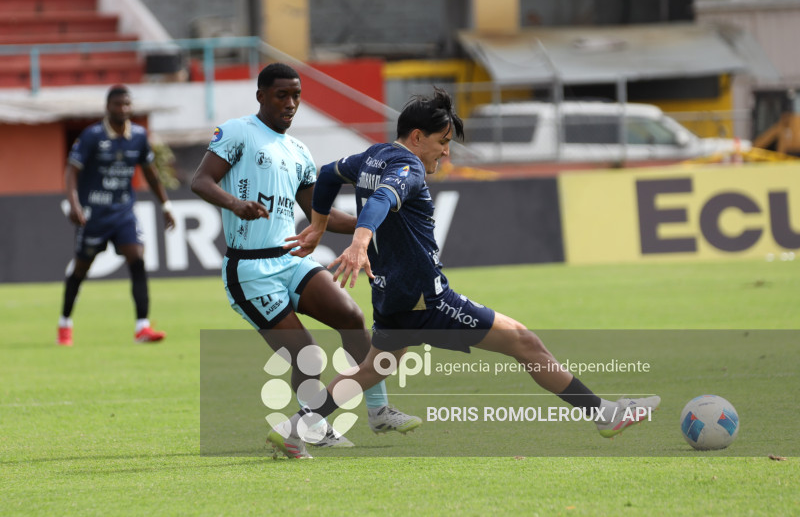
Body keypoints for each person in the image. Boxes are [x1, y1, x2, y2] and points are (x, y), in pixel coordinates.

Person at [268, 87, 661, 459]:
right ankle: (604, 414)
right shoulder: (407, 166)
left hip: (392, 295)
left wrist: (318, 224)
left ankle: (294, 428)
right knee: (525, 342)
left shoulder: (373, 156)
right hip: (425, 298)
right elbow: (384, 197)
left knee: (374, 367)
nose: (446, 152)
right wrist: (359, 240)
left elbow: (328, 173)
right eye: (442, 142)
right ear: (417, 137)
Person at [190, 62, 420, 448]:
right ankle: (309, 429)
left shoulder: (298, 151)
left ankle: (379, 410)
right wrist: (235, 204)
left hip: (291, 258)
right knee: (307, 354)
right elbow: (200, 180)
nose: (291, 103)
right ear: (261, 96)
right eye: (282, 95)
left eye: (296, 96)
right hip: (250, 269)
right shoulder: (238, 132)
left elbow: (319, 215)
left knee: (351, 317)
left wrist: (371, 222)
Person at [59, 85, 175, 346]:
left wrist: (166, 205)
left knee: (137, 259)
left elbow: (151, 173)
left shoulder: (139, 136)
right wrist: (74, 204)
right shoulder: (92, 136)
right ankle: (64, 323)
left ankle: (142, 327)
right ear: (107, 107)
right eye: (118, 104)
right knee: (80, 269)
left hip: (123, 212)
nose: (123, 109)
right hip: (93, 215)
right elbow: (71, 171)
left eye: (127, 104)